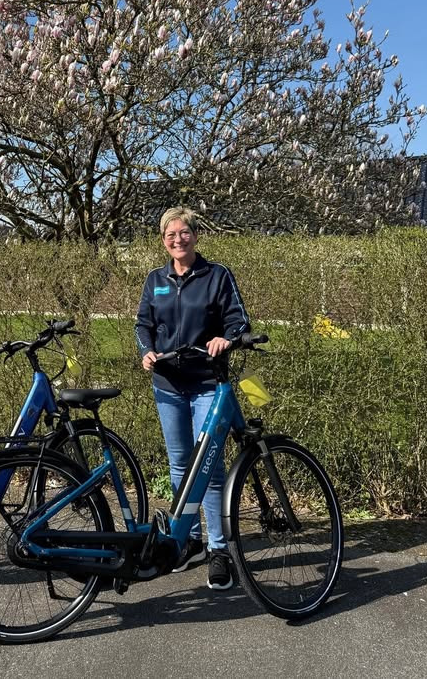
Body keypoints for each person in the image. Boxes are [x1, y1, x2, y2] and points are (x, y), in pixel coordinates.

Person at [135, 206, 250, 589]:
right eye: (170, 235)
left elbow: (238, 319)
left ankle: (219, 550)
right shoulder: (155, 279)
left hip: (206, 382)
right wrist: (147, 350)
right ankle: (191, 541)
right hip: (167, 384)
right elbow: (143, 324)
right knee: (180, 464)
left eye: (183, 232)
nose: (177, 240)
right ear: (163, 240)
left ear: (195, 235)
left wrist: (226, 338)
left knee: (211, 467)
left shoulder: (216, 275)